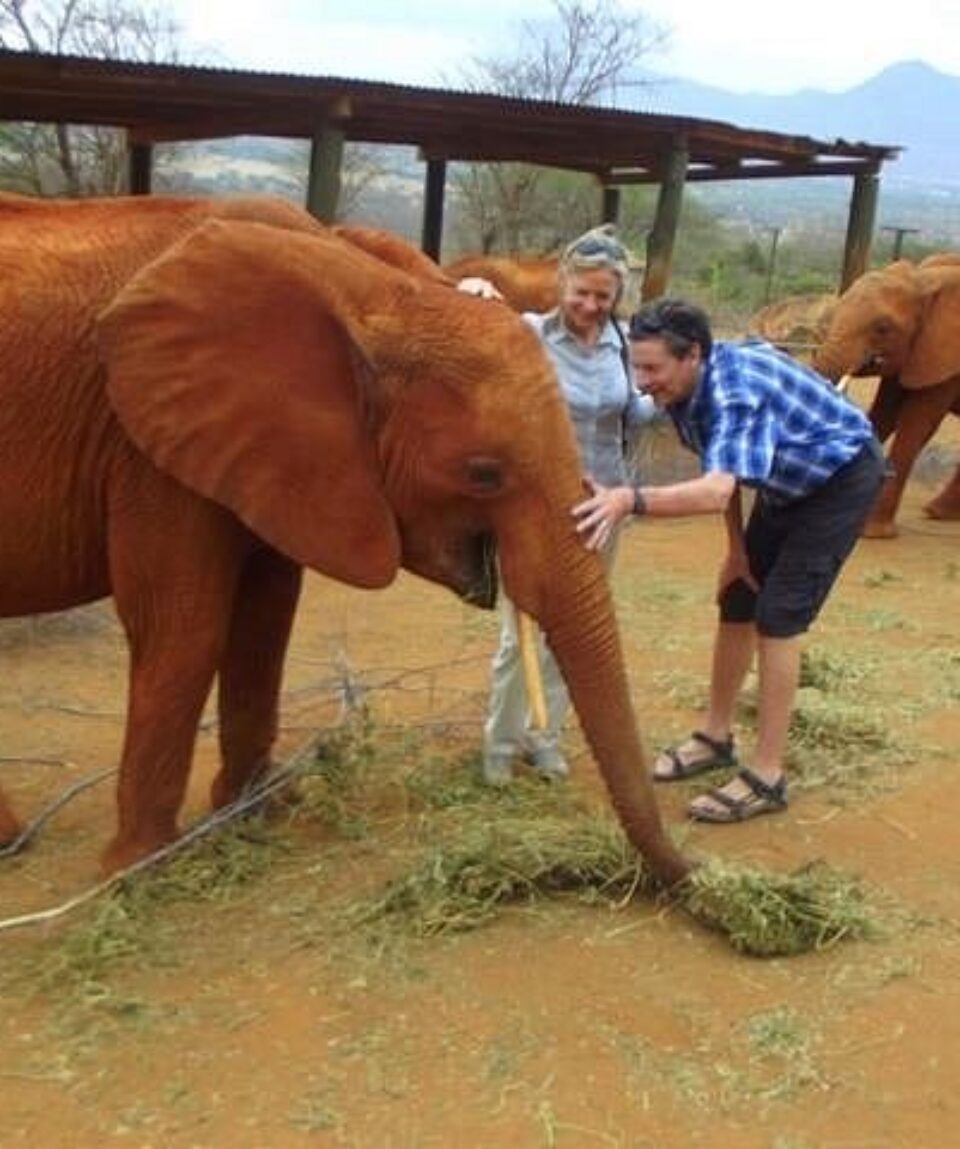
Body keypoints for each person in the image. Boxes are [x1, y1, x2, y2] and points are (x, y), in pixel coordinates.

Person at [572, 297, 886, 822]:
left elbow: (716, 490)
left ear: (693, 354)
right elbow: (728, 470)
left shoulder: (734, 394)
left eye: (652, 368)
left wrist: (629, 499)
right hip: (783, 482)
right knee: (738, 596)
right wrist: (736, 553)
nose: (642, 381)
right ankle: (716, 737)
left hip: (841, 479)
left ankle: (767, 776)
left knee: (779, 617)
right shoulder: (683, 388)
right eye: (637, 367)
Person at [480, 225, 657, 785]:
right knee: (522, 632)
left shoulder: (627, 345)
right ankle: (499, 747)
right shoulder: (528, 335)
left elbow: (639, 410)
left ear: (616, 296)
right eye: (581, 292)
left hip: (604, 507)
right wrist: (474, 296)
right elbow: (473, 333)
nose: (589, 305)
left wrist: (663, 398)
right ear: (562, 284)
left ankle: (545, 738)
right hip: (535, 507)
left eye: (602, 295)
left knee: (575, 630)